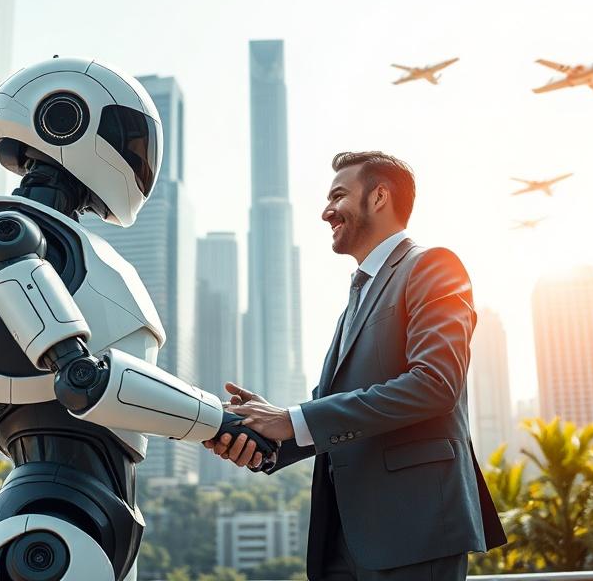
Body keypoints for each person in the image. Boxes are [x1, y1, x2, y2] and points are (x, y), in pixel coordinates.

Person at [205, 151, 507, 580]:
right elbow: (330, 411)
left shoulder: (432, 266)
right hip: (342, 540)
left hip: (412, 532)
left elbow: (436, 385)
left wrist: (290, 419)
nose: (326, 211)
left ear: (379, 197)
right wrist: (260, 440)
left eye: (338, 195)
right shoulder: (355, 300)